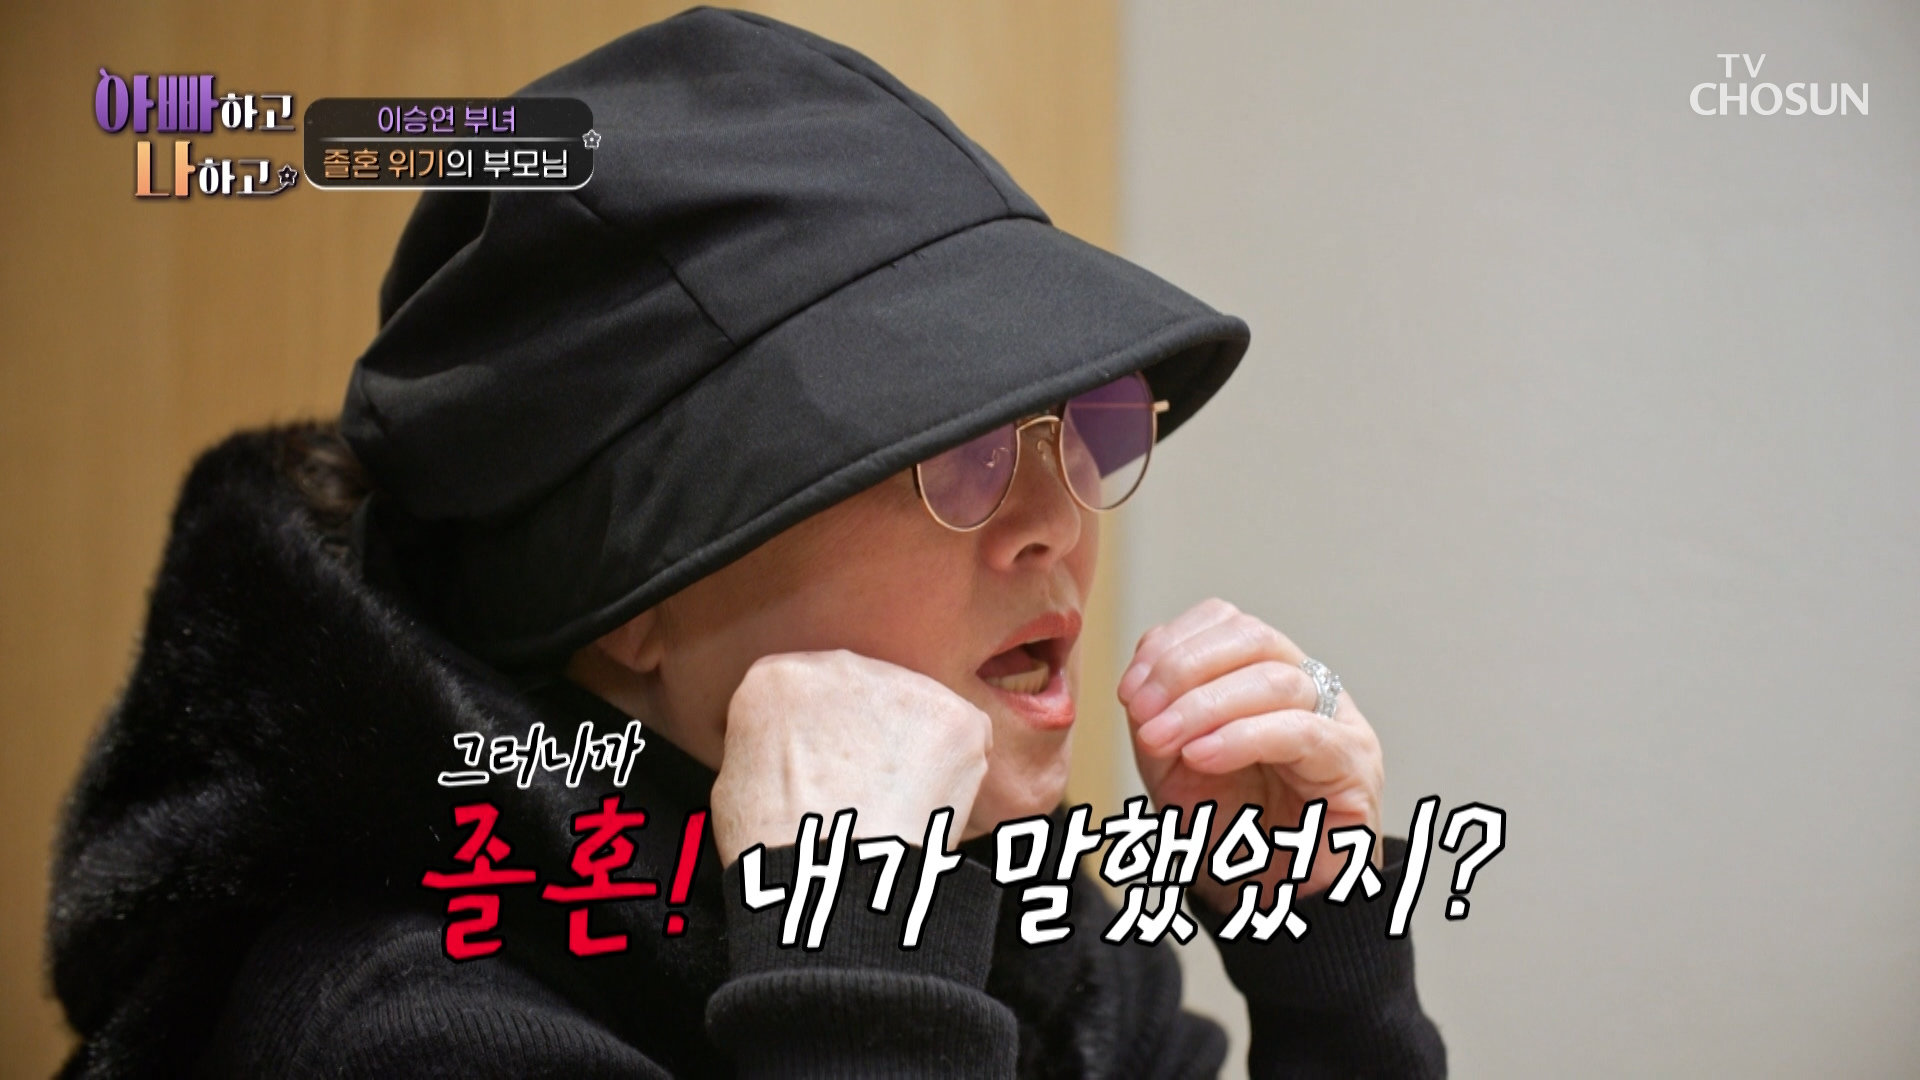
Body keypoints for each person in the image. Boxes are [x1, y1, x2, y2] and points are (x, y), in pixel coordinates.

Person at [46, 8, 1446, 1077]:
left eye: (1076, 430)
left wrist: (1326, 969)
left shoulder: (1015, 908)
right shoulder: (405, 1023)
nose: (1054, 526)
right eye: (949, 453)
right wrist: (859, 987)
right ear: (628, 597)